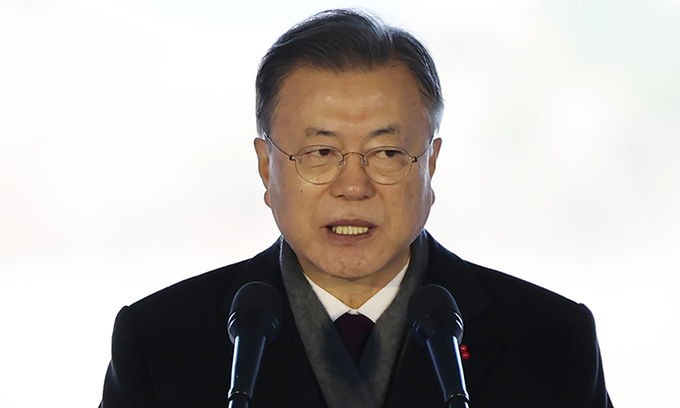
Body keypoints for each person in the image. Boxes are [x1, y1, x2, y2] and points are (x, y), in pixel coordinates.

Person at [99, 9, 612, 408]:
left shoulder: (550, 340)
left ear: (430, 164)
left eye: (386, 153)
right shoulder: (159, 341)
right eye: (320, 152)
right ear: (266, 166)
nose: (353, 186)